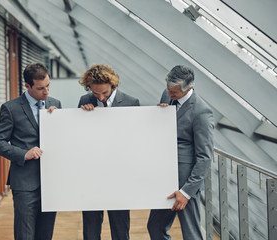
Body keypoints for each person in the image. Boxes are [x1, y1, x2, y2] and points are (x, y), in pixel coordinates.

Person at [0, 62, 61, 240]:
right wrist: (24, 153)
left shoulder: (55, 104)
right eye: (40, 88)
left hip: (51, 182)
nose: (46, 92)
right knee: (25, 235)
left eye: (48, 86)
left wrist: (59, 120)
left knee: (45, 235)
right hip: (24, 183)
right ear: (27, 86)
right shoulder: (11, 108)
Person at [147, 65, 214, 240]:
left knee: (191, 233)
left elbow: (205, 157)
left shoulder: (202, 112)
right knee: (155, 226)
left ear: (188, 88)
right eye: (168, 90)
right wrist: (159, 115)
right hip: (165, 177)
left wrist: (186, 192)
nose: (169, 95)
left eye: (174, 93)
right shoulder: (167, 94)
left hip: (185, 183)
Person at [77, 64, 140, 240]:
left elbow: (136, 140)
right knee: (91, 228)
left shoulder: (131, 103)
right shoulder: (84, 100)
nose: (100, 97)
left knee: (120, 228)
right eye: (96, 93)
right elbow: (79, 137)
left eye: (104, 93)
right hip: (92, 175)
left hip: (119, 175)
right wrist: (84, 116)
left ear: (113, 86)